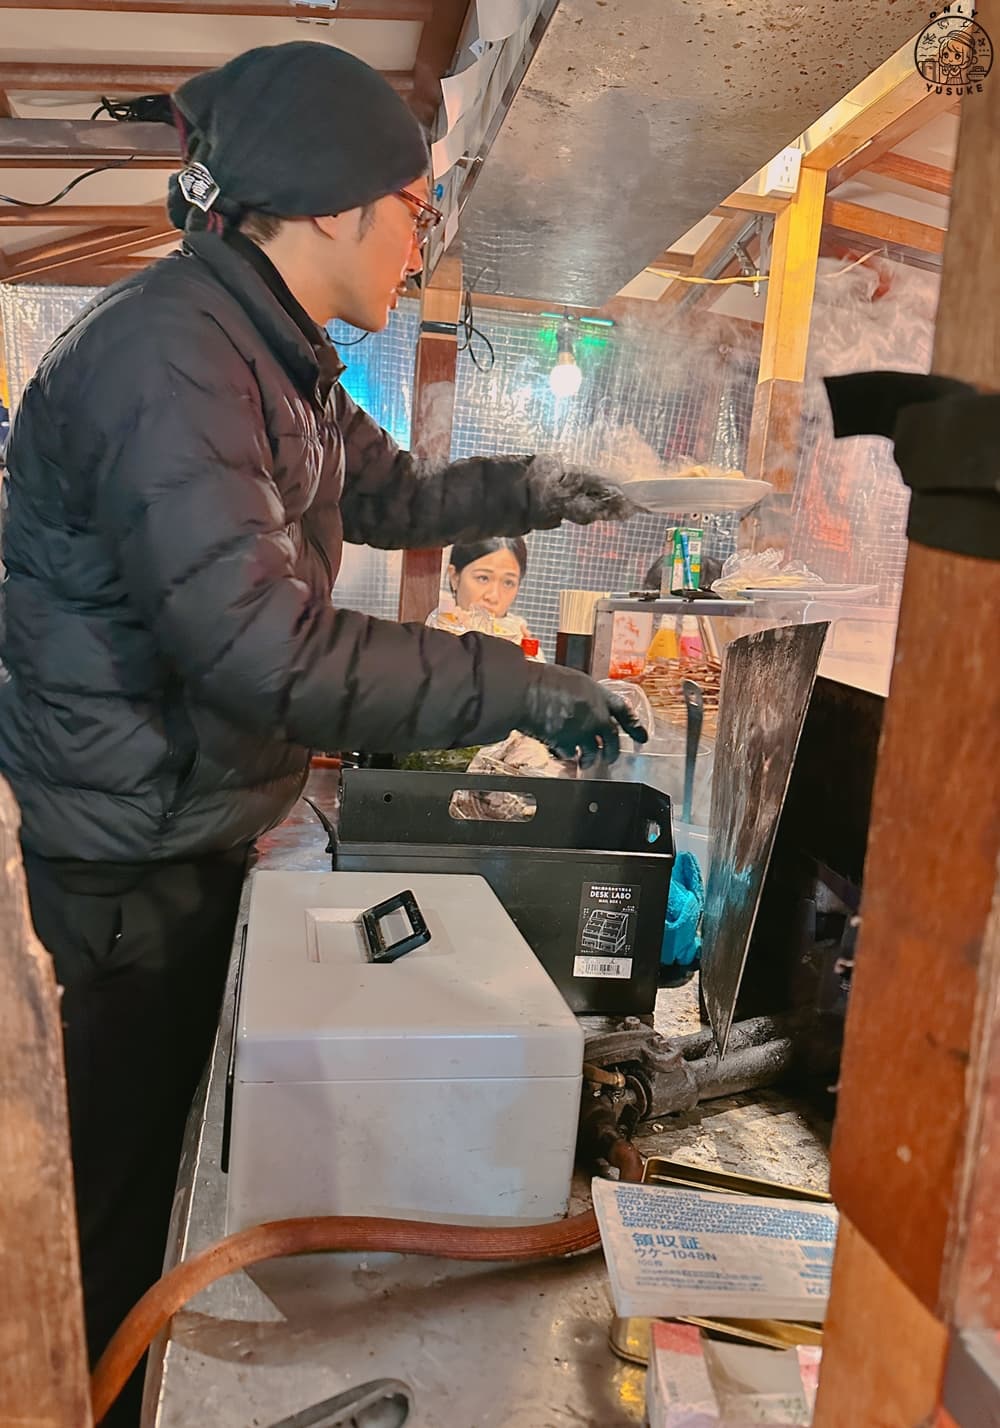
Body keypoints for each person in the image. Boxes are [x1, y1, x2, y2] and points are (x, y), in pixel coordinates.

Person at [0, 42, 646, 1426]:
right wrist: (518, 691)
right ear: (329, 204)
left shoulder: (266, 349)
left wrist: (534, 486)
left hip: (183, 829)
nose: (422, 236)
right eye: (414, 205)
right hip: (120, 867)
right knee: (105, 1220)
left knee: (141, 1190)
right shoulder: (171, 360)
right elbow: (261, 649)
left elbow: (396, 493)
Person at [427, 536, 539, 648]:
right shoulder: (432, 631)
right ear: (454, 577)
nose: (493, 597)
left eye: (508, 583)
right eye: (483, 578)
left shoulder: (519, 640)